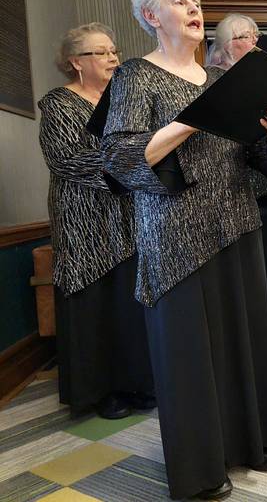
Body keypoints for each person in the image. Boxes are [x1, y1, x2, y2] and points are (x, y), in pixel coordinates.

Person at [101, 0, 267, 500]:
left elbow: (252, 166)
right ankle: (200, 469)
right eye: (178, 1)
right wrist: (193, 119)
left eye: (196, 0)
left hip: (236, 223)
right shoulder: (135, 76)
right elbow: (120, 157)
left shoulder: (222, 80)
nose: (193, 7)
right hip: (175, 234)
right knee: (189, 355)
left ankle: (250, 443)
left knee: (243, 341)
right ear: (151, 16)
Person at [38, 22, 154, 420]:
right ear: (75, 62)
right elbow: (67, 159)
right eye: (100, 52)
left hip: (127, 214)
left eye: (113, 51)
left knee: (127, 299)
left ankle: (135, 382)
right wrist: (131, 168)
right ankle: (98, 391)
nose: (112, 58)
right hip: (82, 216)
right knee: (95, 299)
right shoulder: (59, 103)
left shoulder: (121, 100)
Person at [206, 12, 267, 359]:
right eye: (243, 37)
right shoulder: (216, 81)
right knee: (250, 273)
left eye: (256, 35)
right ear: (223, 49)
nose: (254, 42)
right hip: (241, 191)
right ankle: (255, 347)